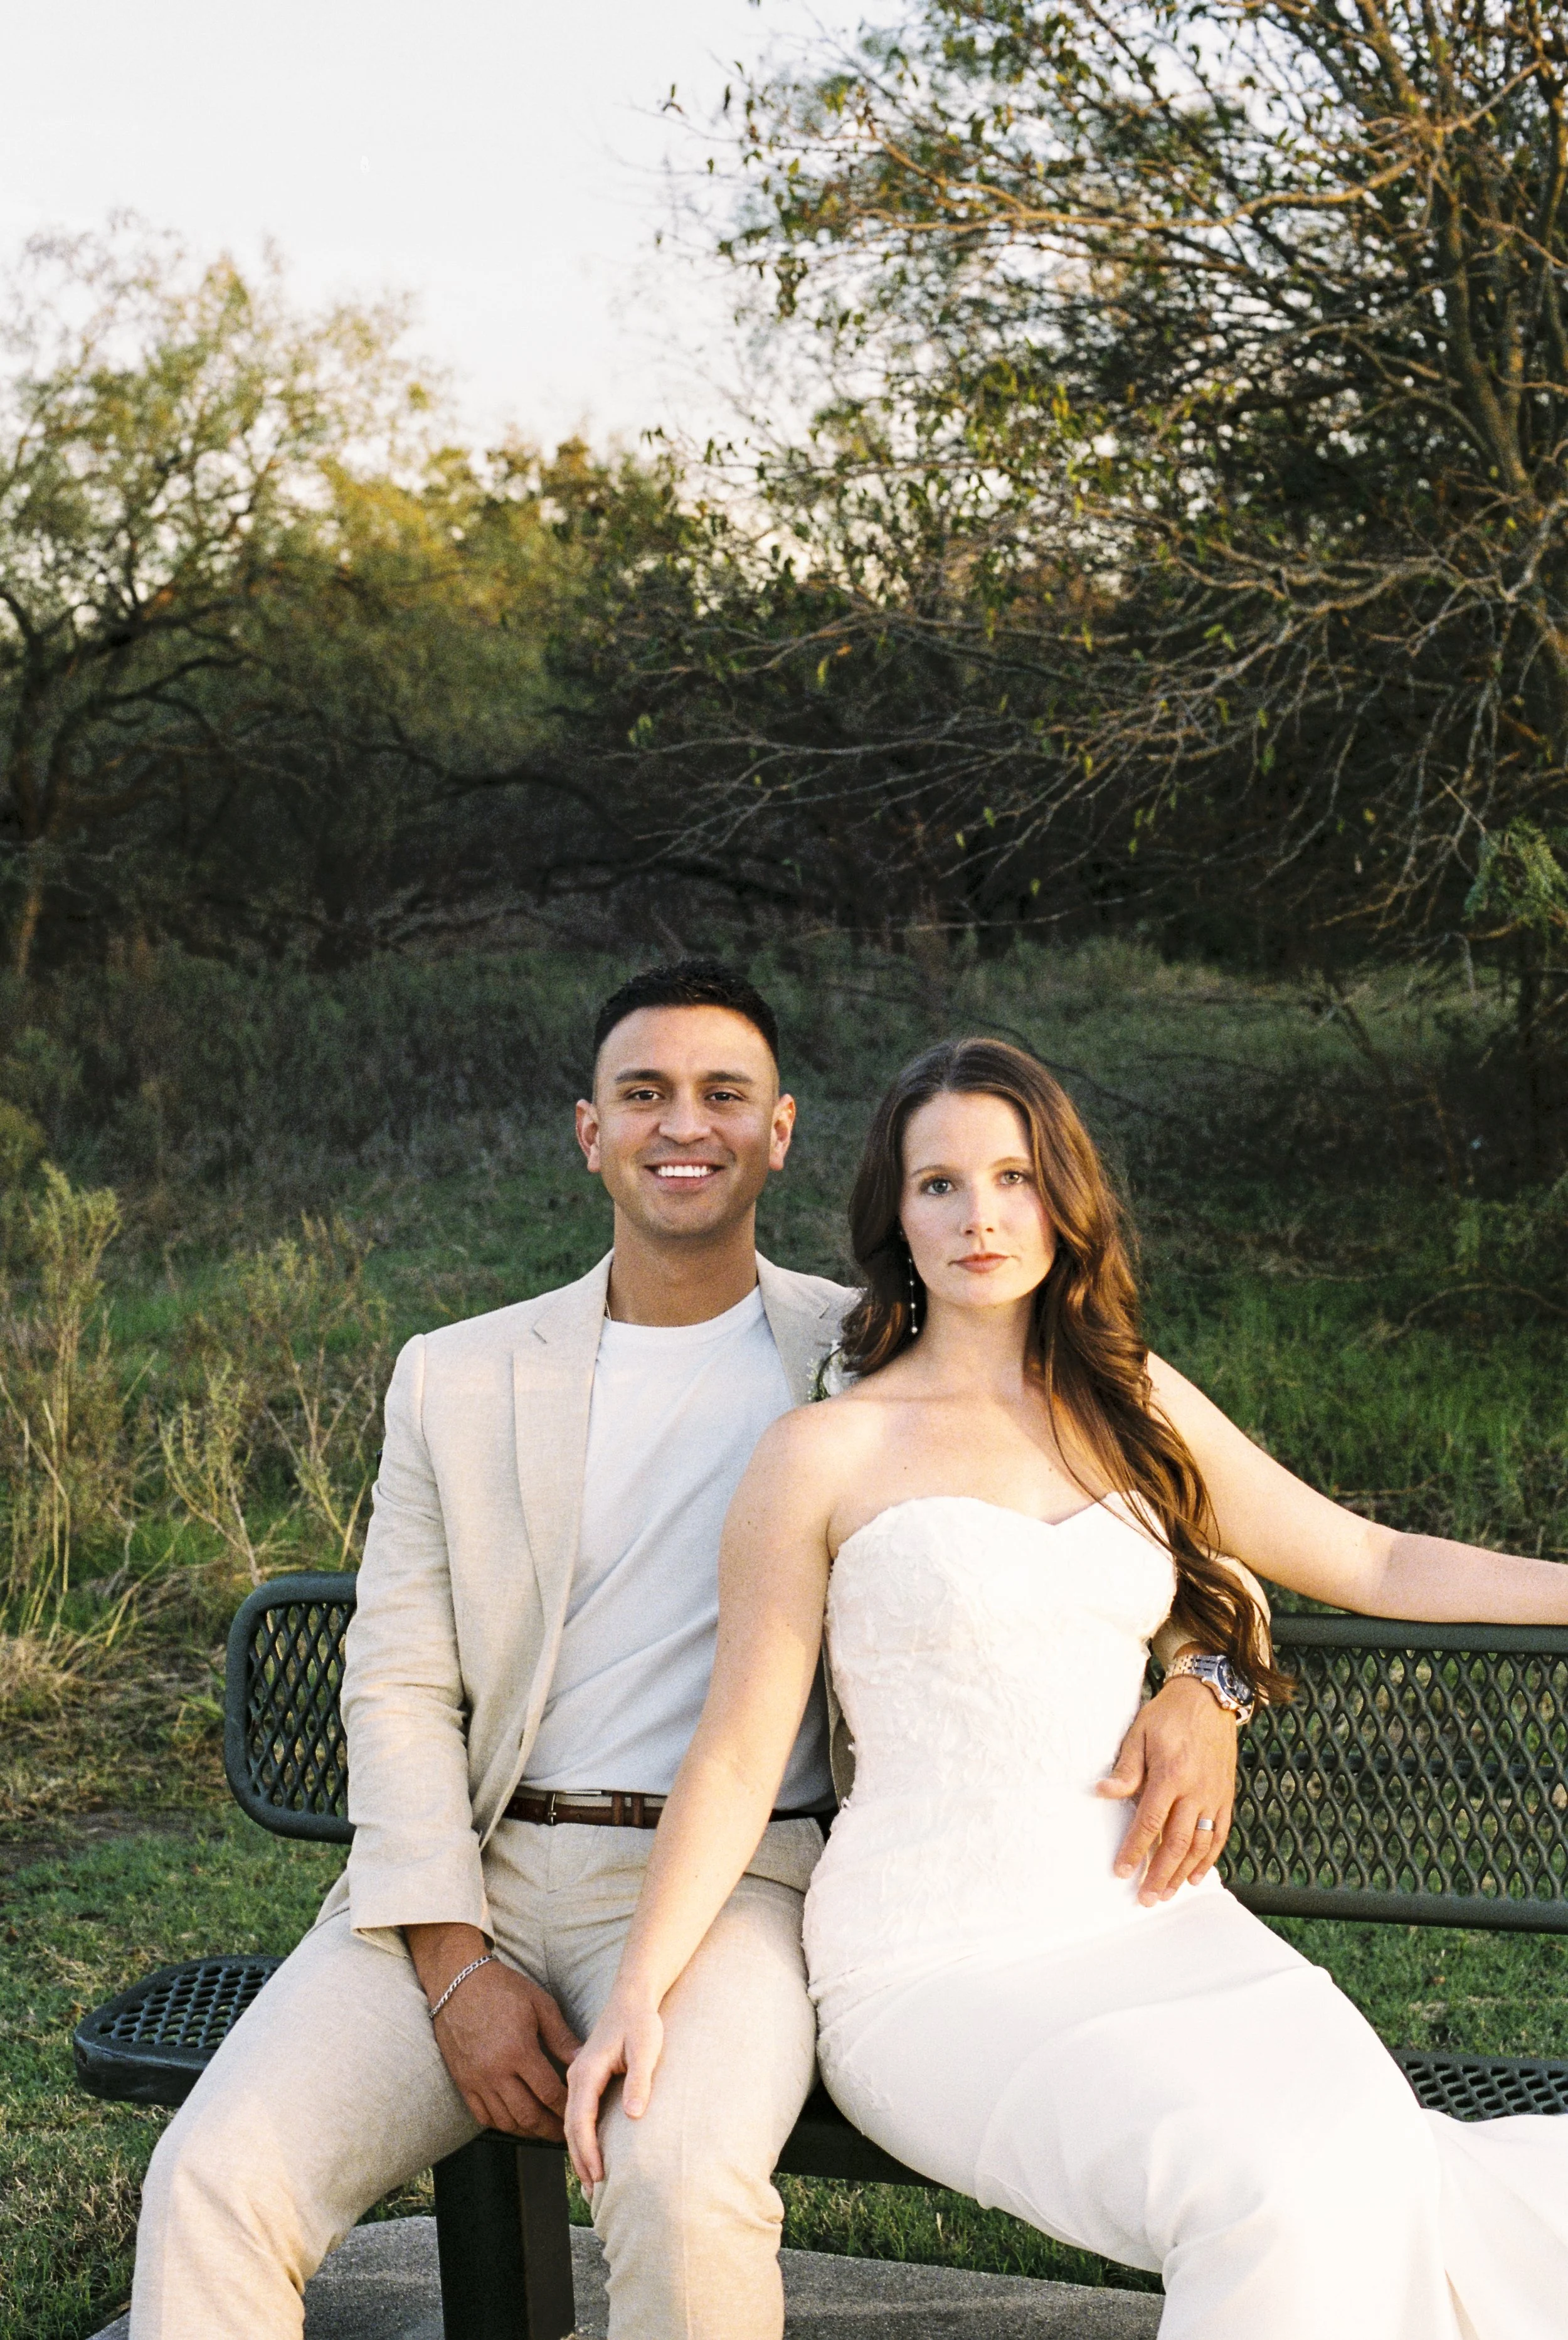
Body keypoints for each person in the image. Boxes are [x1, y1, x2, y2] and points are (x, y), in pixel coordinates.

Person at [128, 971, 1243, 2340]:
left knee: (678, 2178)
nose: (683, 1124)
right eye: (642, 1092)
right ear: (585, 1130)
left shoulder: (867, 1358)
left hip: (731, 1889)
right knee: (210, 2179)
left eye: (723, 1095)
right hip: (457, 1882)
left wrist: (1206, 1680)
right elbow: (399, 1682)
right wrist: (453, 1960)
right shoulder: (458, 1373)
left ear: (779, 1133)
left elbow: (1143, 1514)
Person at [567, 1034, 1568, 2340]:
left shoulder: (1131, 1406)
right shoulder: (821, 1450)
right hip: (933, 1960)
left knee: (1367, 2157)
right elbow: (739, 1751)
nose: (979, 1215)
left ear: (1063, 1200)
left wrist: (1208, 1675)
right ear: (895, 1216)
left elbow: (1369, 1553)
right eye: (938, 1184)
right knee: (1257, 2183)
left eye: (1012, 1176)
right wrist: (640, 1989)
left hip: (1159, 1924)